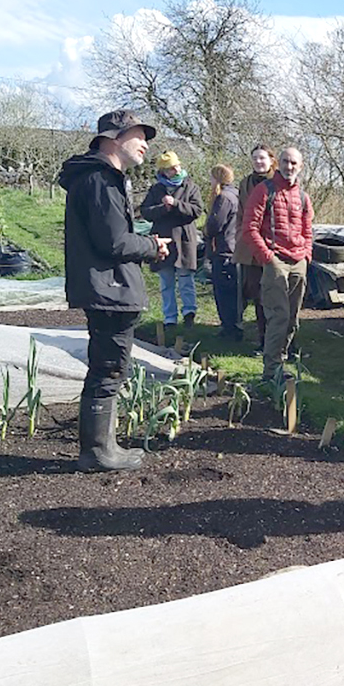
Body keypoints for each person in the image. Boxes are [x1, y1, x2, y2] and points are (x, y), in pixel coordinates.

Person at [58, 110, 171, 471]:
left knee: (107, 367)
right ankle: (97, 452)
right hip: (109, 290)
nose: (145, 144)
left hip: (107, 287)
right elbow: (114, 242)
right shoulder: (100, 181)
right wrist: (152, 246)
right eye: (139, 135)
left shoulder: (99, 179)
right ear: (113, 138)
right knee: (108, 369)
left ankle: (104, 445)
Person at [242, 146, 314, 381]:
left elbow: (308, 230)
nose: (289, 166)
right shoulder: (264, 190)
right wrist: (267, 257)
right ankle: (270, 369)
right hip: (275, 261)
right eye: (285, 161)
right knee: (278, 316)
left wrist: (306, 255)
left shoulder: (303, 197)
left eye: (293, 163)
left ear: (301, 166)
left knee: (292, 319)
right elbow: (250, 228)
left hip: (298, 261)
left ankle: (280, 361)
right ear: (278, 163)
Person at [140, 150, 204, 341]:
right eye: (170, 168)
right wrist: (163, 208)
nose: (176, 169)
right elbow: (146, 212)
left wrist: (176, 204)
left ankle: (189, 313)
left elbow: (197, 210)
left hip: (184, 239)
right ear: (163, 171)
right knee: (166, 282)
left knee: (186, 279)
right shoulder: (156, 189)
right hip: (163, 240)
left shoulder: (190, 186)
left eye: (177, 166)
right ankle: (169, 318)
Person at [234, 144, 277, 354]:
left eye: (262, 158)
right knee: (257, 296)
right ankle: (262, 340)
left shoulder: (278, 183)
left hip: (272, 247)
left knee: (276, 297)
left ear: (271, 160)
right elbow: (241, 214)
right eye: (255, 158)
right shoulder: (245, 183)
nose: (258, 162)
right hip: (250, 248)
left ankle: (280, 342)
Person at [204, 164, 242, 341]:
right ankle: (234, 326)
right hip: (234, 248)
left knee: (224, 293)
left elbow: (214, 225)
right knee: (233, 292)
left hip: (224, 249)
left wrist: (206, 230)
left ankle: (230, 329)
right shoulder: (237, 194)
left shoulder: (224, 198)